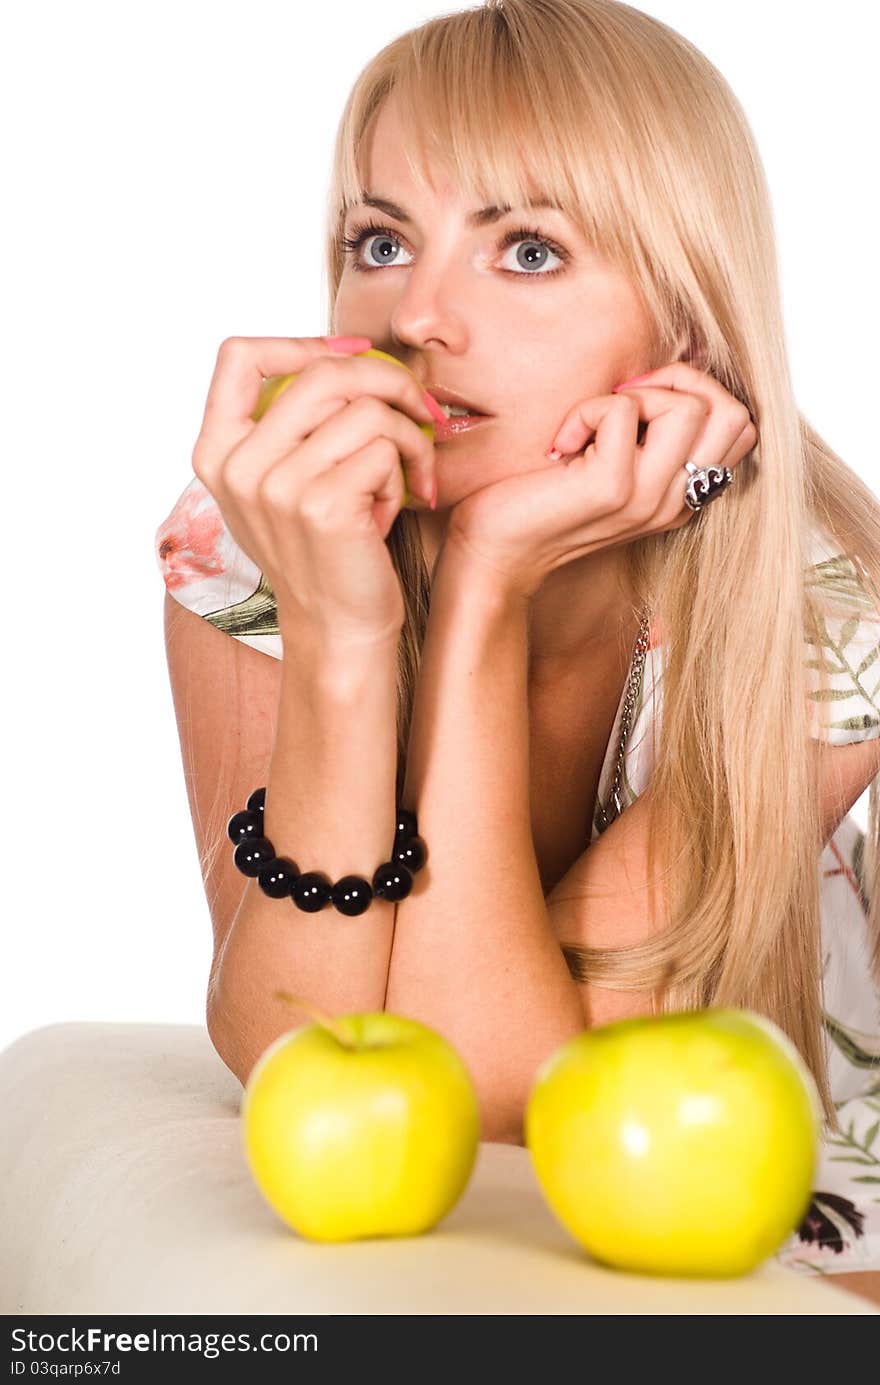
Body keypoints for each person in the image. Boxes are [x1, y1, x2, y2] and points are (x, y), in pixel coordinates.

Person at [155, 0, 880, 1288]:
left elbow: (501, 1097)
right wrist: (338, 632)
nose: (417, 314)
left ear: (690, 328)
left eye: (529, 250)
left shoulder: (823, 608)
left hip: (783, 1201)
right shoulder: (267, 529)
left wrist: (487, 588)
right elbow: (292, 1041)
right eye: (378, 239)